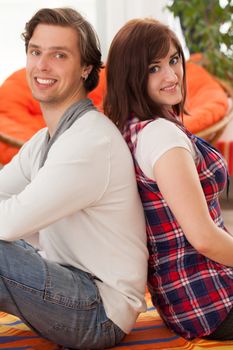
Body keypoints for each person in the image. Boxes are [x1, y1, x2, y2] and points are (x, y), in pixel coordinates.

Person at [0, 8, 148, 349]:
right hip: (68, 283)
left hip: (98, 311)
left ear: (85, 68)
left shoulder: (90, 141)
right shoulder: (45, 140)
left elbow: (8, 224)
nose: (42, 66)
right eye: (36, 52)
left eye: (59, 55)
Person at [103, 18, 233, 341]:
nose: (172, 76)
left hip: (185, 299)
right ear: (131, 76)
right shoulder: (161, 137)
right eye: (153, 68)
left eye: (173, 60)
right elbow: (202, 237)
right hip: (212, 299)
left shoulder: (135, 127)